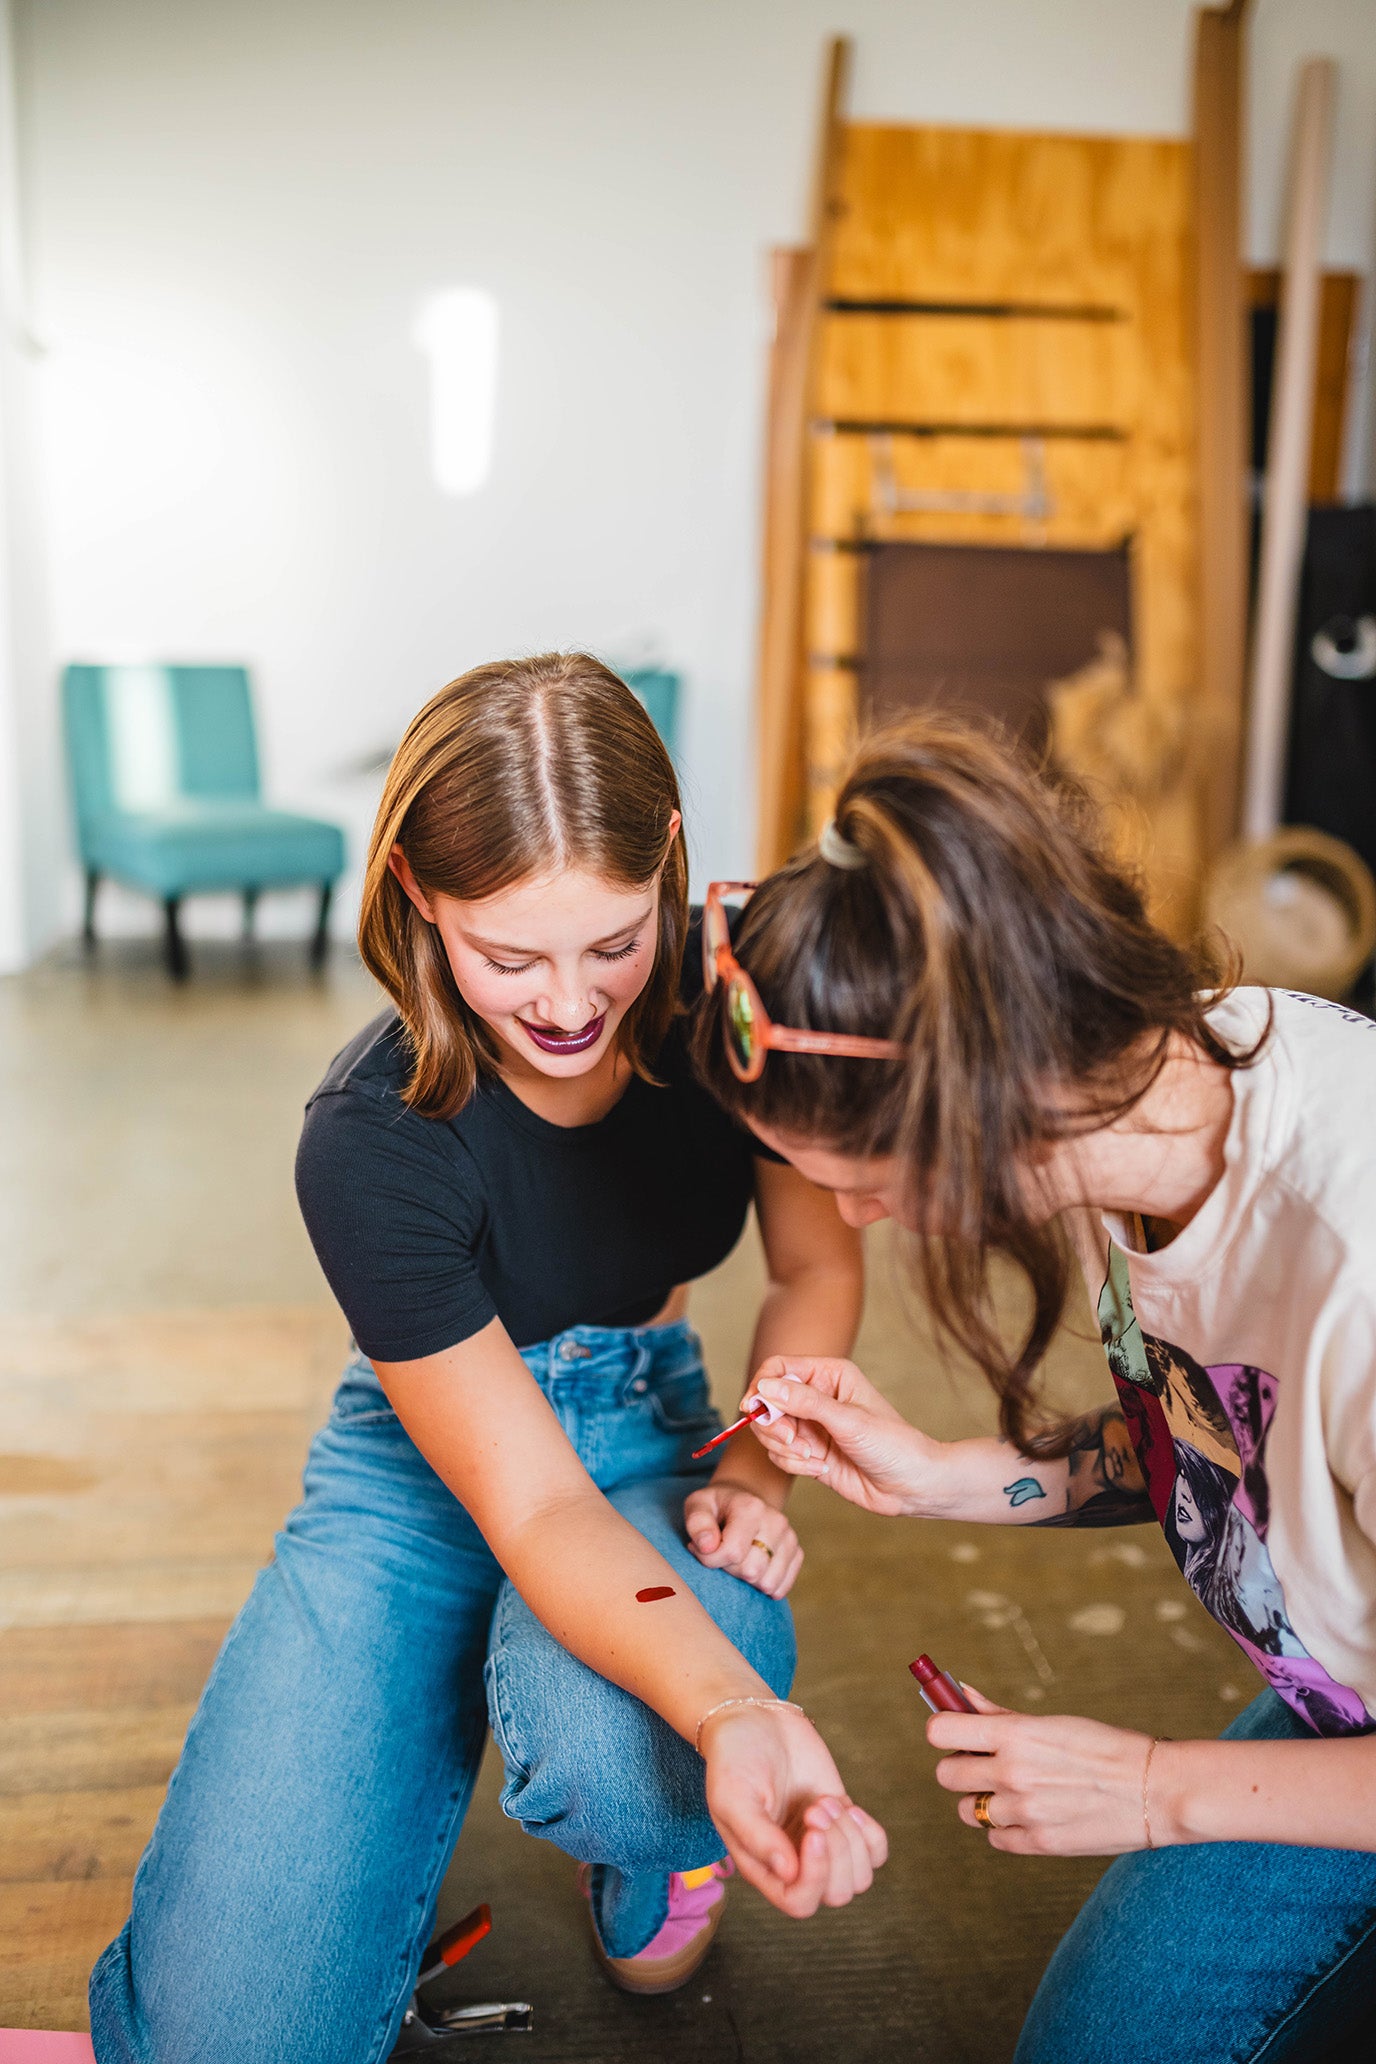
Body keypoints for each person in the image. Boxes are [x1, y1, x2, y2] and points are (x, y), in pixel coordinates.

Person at [89, 654, 885, 2064]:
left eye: (614, 942)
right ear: (415, 894)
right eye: (511, 956)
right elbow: (527, 1506)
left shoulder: (738, 998)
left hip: (651, 1423)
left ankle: (638, 1837)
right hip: (423, 1462)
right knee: (223, 2042)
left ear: (671, 869)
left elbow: (820, 1267)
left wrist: (758, 1468)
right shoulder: (369, 1134)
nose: (574, 1003)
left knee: (629, 1767)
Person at [691, 715, 1376, 2063]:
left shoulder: (1353, 1250)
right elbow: (1233, 1433)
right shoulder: (1153, 1095)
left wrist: (1155, 1787)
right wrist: (963, 1475)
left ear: (983, 1105)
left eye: (861, 1180)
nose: (857, 1217)